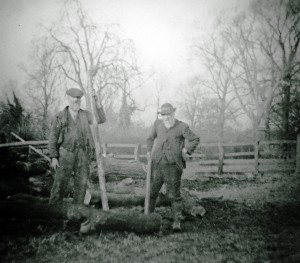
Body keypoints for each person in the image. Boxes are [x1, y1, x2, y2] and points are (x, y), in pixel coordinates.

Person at [146, 103, 200, 231]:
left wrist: (186, 149)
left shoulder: (182, 126)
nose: (166, 117)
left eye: (168, 114)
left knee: (174, 195)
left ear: (173, 113)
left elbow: (195, 139)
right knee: (152, 192)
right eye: (163, 115)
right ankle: (148, 217)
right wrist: (149, 152)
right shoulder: (157, 124)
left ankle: (176, 221)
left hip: (173, 167)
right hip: (157, 164)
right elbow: (149, 138)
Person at [48, 88, 106, 205]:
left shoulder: (85, 115)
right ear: (67, 98)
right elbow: (53, 138)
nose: (76, 100)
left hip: (83, 154)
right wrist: (54, 157)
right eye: (73, 98)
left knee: (81, 185)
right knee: (60, 183)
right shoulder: (59, 117)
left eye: (78, 98)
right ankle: (53, 212)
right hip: (65, 154)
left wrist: (97, 102)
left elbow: (101, 119)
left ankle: (77, 212)